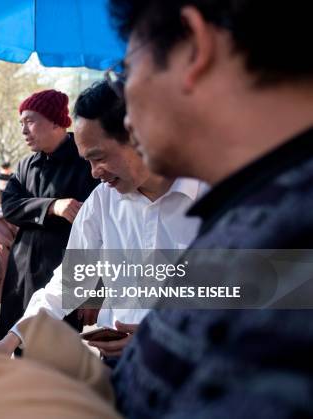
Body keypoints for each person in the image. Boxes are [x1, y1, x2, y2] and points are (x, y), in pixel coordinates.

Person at [106, 1, 313, 417]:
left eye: (125, 72)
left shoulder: (293, 236)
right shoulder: (254, 209)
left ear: (195, 45)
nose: (125, 118)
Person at [0, 80, 206, 359]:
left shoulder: (219, 195)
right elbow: (68, 284)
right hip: (119, 365)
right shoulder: (102, 201)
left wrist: (164, 332)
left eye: (98, 157)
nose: (93, 173)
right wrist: (10, 341)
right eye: (86, 160)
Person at [0, 89, 100, 342]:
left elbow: (103, 232)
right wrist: (53, 206)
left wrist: (96, 292)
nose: (23, 130)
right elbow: (9, 206)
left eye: (30, 120)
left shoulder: (87, 162)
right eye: (21, 123)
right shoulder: (26, 165)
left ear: (55, 121)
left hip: (64, 281)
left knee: (55, 359)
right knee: (12, 346)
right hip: (21, 274)